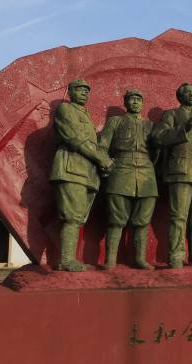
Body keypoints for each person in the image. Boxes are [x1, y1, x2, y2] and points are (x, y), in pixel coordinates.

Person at [49, 79, 113, 272]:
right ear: (70, 92)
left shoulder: (85, 114)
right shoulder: (65, 110)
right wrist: (101, 159)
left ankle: (68, 259)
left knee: (77, 218)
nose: (84, 93)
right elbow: (75, 139)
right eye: (79, 89)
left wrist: (103, 160)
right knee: (72, 217)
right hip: (71, 169)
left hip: (85, 173)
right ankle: (67, 260)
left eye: (87, 90)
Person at [152, 83, 192, 268]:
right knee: (178, 216)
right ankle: (176, 255)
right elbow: (158, 138)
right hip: (180, 171)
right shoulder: (171, 114)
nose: (191, 95)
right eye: (187, 93)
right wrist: (184, 128)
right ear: (180, 97)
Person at [99, 89, 158, 270]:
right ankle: (110, 260)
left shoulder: (151, 126)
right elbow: (103, 146)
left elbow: (157, 153)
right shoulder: (115, 122)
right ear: (125, 103)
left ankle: (139, 259)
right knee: (117, 218)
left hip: (146, 172)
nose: (135, 102)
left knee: (143, 219)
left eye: (138, 99)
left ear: (143, 103)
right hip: (121, 170)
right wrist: (106, 165)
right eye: (131, 99)